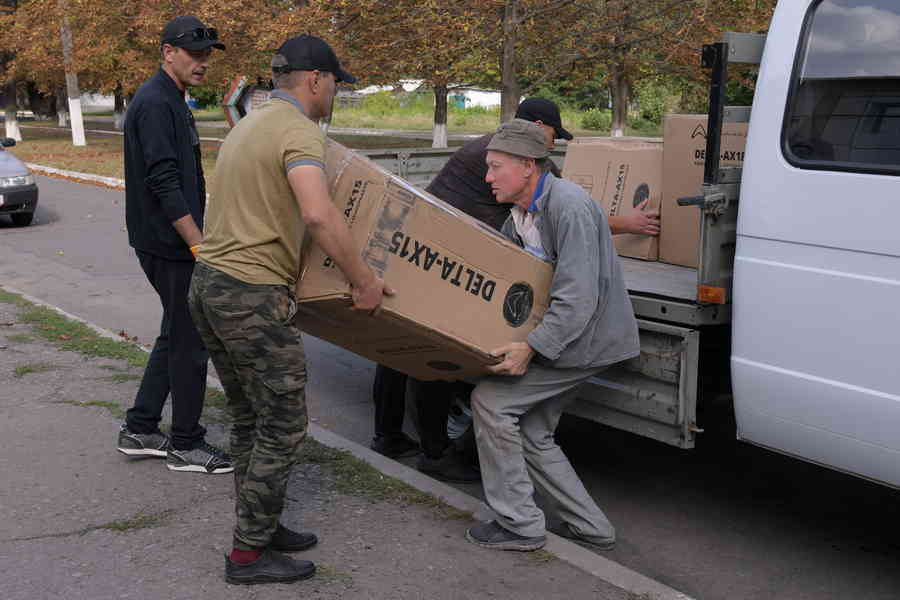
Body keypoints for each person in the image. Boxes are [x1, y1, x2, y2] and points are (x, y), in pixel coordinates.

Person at [187, 35, 391, 585]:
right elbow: (320, 216)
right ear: (316, 80)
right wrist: (364, 281)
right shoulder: (300, 132)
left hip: (210, 285)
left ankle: (262, 524)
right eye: (336, 84)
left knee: (251, 417)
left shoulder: (251, 122)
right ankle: (248, 556)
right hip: (250, 294)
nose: (335, 95)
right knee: (283, 422)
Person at [371, 98, 657, 483]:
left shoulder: (487, 148)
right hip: (449, 257)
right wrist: (630, 223)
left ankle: (388, 436)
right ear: (539, 127)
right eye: (554, 136)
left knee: (401, 352)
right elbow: (565, 209)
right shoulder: (515, 156)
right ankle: (436, 454)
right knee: (434, 357)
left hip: (423, 248)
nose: (552, 147)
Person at [464, 119, 640, 552]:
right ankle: (591, 527)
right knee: (533, 432)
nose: (487, 177)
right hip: (575, 336)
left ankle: (520, 524)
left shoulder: (569, 205)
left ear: (528, 166)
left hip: (586, 340)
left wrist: (532, 348)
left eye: (496, 167)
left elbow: (577, 296)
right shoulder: (521, 213)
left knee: (491, 403)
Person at [116, 15, 232, 475]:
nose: (203, 62)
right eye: (194, 53)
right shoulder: (155, 103)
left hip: (169, 241)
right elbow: (164, 182)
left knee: (176, 334)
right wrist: (198, 246)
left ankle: (141, 427)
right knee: (191, 340)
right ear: (168, 52)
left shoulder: (171, 98)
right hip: (168, 243)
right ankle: (186, 443)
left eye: (208, 55)